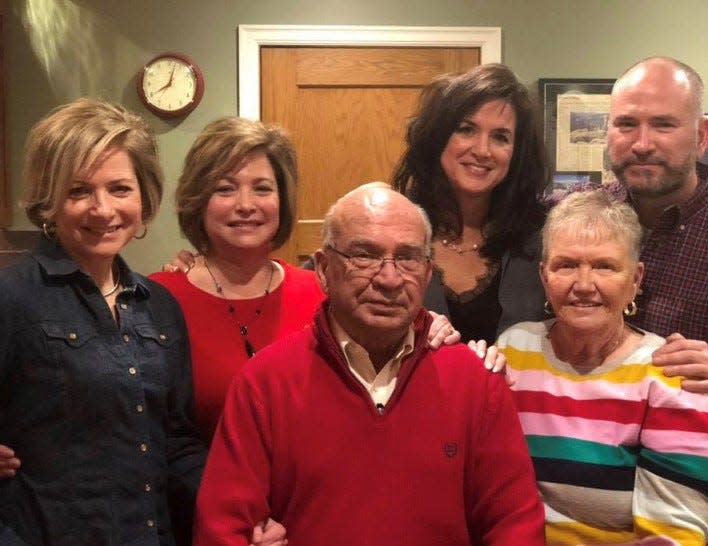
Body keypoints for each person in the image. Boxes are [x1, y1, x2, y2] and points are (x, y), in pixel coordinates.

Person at [193, 185, 545, 545]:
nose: (389, 279)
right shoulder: (264, 383)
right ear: (325, 268)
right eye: (365, 255)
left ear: (427, 275)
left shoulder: (475, 382)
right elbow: (221, 529)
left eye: (407, 258)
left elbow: (515, 524)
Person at [0, 98, 206, 544]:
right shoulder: (12, 298)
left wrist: (240, 504)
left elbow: (177, 442)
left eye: (119, 188)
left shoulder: (162, 307)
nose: (103, 209)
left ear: (144, 196)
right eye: (78, 191)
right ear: (49, 200)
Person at [496, 190, 708, 545]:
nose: (584, 285)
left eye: (604, 266)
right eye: (566, 265)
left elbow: (674, 537)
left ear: (635, 278)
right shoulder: (514, 350)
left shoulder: (670, 376)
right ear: (544, 276)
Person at [604, 56, 708, 545]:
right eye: (627, 123)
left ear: (703, 133)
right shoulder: (574, 217)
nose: (642, 143)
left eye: (663, 124)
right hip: (583, 495)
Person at [149, 117, 325, 444]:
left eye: (262, 188)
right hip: (196, 489)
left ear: (282, 200)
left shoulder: (320, 295)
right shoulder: (159, 298)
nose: (246, 205)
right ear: (199, 200)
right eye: (226, 189)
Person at [393, 62, 549, 344]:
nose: (482, 150)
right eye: (466, 129)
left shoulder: (542, 238)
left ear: (517, 153)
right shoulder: (390, 225)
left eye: (500, 137)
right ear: (437, 137)